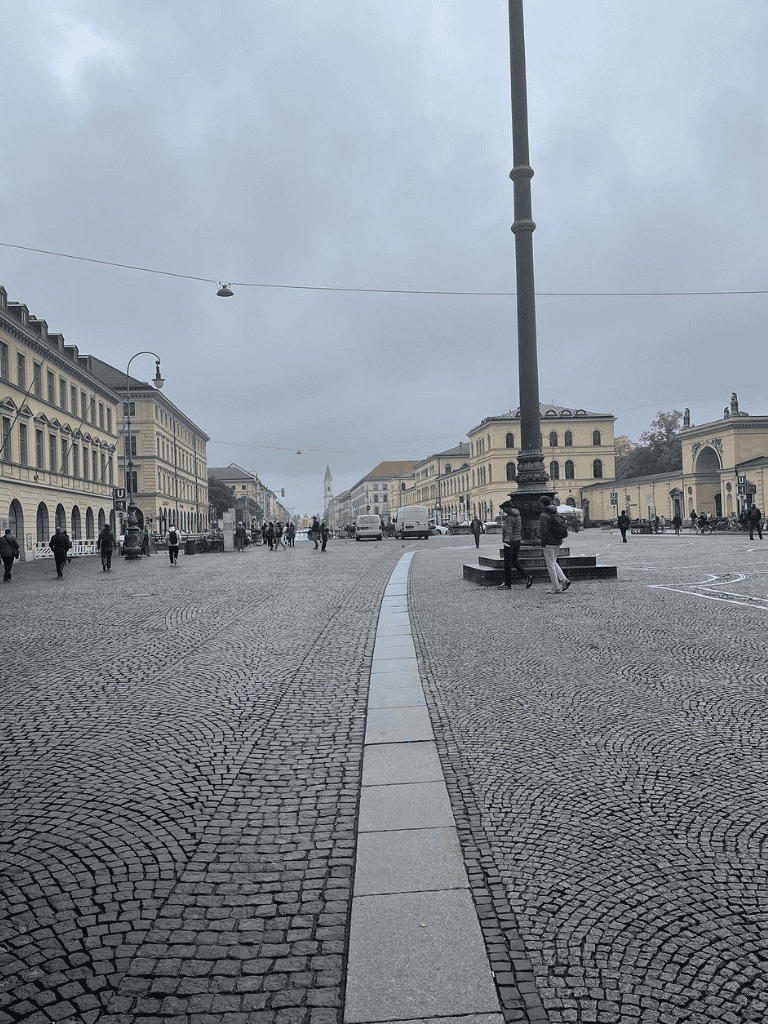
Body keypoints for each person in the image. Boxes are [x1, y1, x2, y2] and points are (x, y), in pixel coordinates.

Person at [497, 502, 532, 590]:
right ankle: (527, 576)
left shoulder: (509, 518)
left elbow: (509, 531)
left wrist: (506, 541)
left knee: (507, 563)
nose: (503, 510)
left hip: (511, 542)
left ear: (508, 508)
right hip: (517, 540)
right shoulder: (517, 515)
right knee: (514, 561)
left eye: (504, 508)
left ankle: (508, 584)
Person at [539, 496, 570, 594]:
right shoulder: (556, 513)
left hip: (548, 542)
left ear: (543, 504)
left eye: (540, 503)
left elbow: (544, 531)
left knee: (550, 564)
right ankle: (564, 580)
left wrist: (542, 542)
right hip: (558, 541)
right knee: (553, 561)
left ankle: (556, 587)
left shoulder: (544, 515)